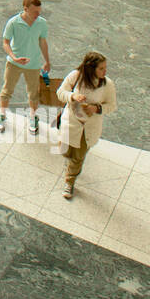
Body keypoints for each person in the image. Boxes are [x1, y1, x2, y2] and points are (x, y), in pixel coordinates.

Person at [57, 51, 118, 200]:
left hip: (88, 129)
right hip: (71, 123)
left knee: (78, 157)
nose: (105, 71)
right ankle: (71, 165)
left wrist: (96, 108)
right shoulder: (76, 76)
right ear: (91, 68)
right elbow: (61, 92)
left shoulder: (107, 85)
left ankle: (69, 181)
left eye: (105, 68)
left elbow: (111, 106)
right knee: (64, 150)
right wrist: (73, 96)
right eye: (101, 68)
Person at [0, 0, 52, 135]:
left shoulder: (41, 23)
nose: (37, 15)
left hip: (33, 65)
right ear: (25, 9)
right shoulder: (13, 22)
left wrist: (47, 61)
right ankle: (2, 115)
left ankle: (33, 117)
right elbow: (5, 42)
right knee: (7, 89)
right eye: (34, 12)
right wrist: (14, 57)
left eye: (39, 12)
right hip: (14, 64)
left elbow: (42, 41)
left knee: (33, 93)